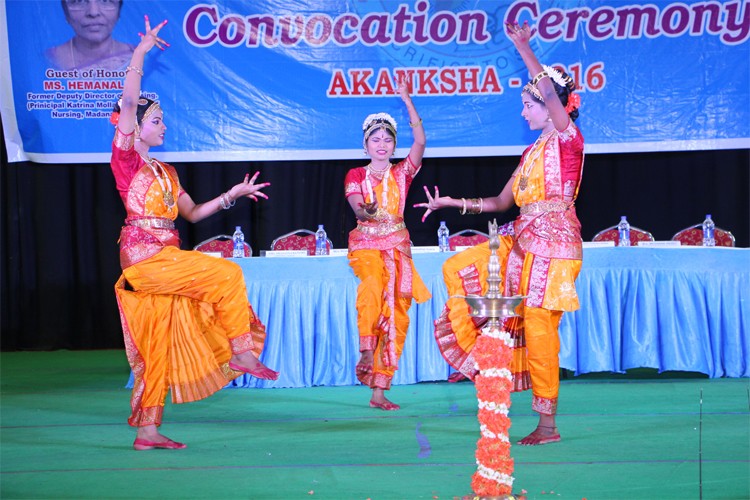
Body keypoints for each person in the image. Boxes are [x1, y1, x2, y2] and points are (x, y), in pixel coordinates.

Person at [111, 16, 278, 451]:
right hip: (146, 260)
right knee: (226, 276)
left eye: (162, 120)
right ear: (137, 127)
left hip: (168, 259)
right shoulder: (127, 160)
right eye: (158, 121)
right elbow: (128, 105)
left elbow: (193, 214)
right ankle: (241, 351)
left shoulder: (166, 171)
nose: (163, 126)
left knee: (157, 344)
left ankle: (147, 431)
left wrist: (233, 194)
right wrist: (140, 53)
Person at [414, 21, 584, 445]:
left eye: (529, 104)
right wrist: (452, 204)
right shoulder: (531, 152)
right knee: (457, 266)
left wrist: (524, 49)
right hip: (521, 239)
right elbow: (500, 203)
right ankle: (477, 361)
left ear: (552, 106)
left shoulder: (568, 140)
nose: (523, 111)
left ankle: (547, 424)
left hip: (556, 245)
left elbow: (548, 90)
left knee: (541, 325)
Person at [345, 78, 431, 411]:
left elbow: (421, 140)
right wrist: (365, 211)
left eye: (387, 139)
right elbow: (356, 205)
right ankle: (366, 345)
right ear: (365, 145)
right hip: (366, 245)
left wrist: (408, 101)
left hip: (398, 247)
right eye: (375, 139)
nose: (381, 145)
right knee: (371, 284)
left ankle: (379, 391)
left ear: (394, 145)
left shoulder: (404, 173)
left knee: (398, 318)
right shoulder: (355, 174)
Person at [46, 0, 134, 71]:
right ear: (65, 12)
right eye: (79, 1)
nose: (93, 12)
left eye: (105, 0)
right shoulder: (44, 60)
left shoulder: (142, 59)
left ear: (119, 11)